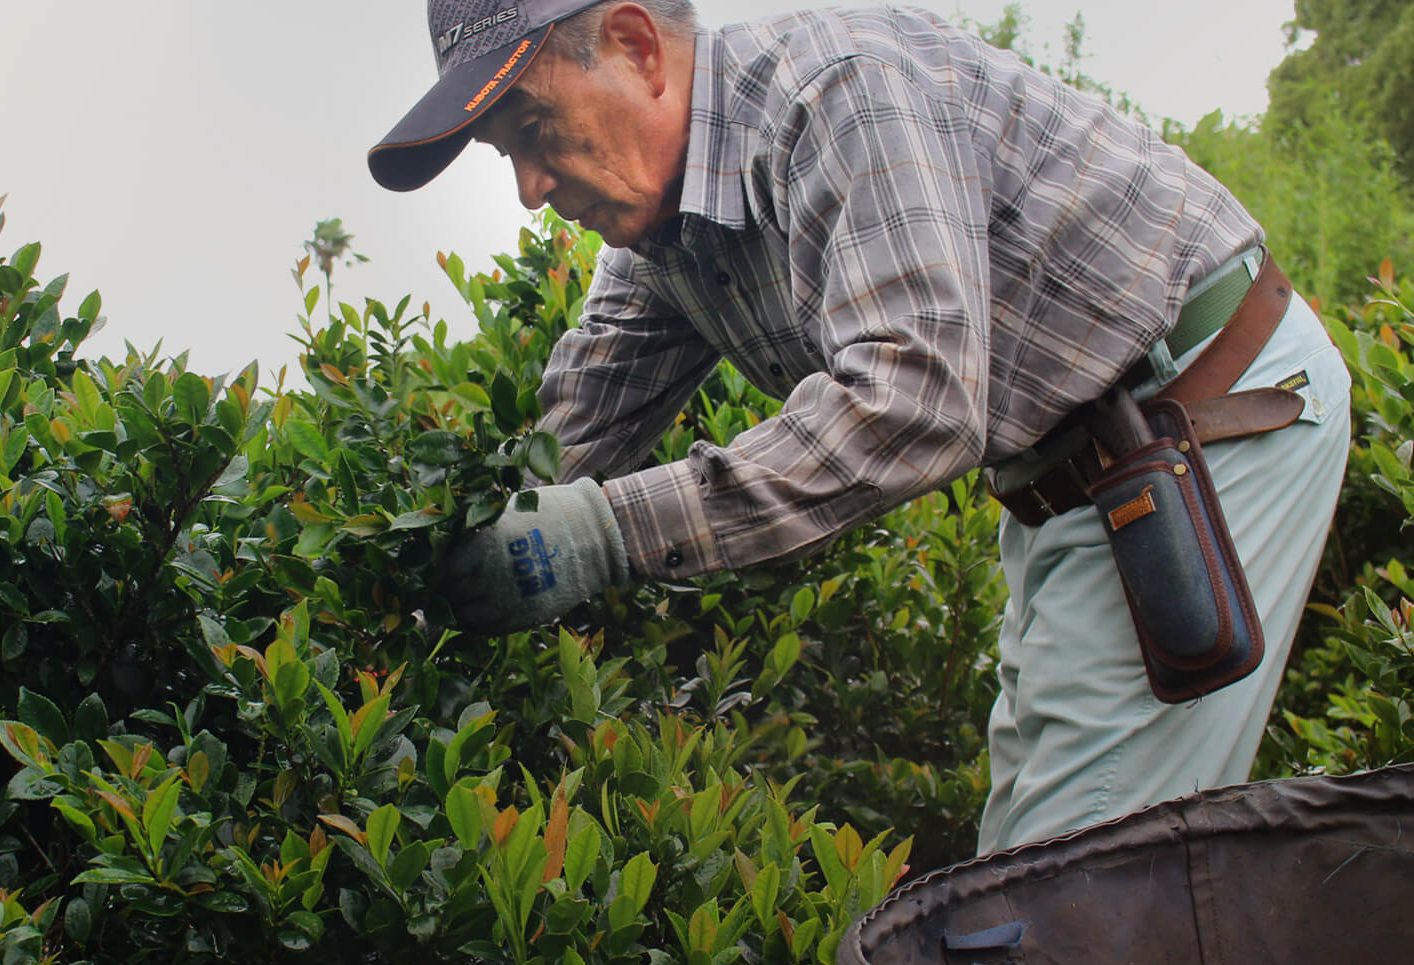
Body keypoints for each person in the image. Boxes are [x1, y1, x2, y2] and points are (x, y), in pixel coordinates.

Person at [368, 0, 1350, 858]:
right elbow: (564, 438)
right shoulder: (660, 237)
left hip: (1205, 404)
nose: (530, 188)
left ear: (636, 45)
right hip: (1078, 467)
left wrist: (595, 536)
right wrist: (405, 588)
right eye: (510, 155)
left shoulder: (833, 94)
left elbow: (913, 400)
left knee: (1076, 880)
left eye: (534, 127)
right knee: (1031, 861)